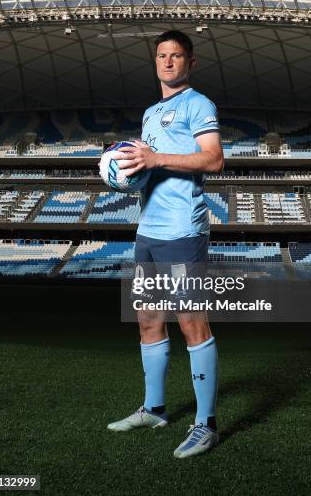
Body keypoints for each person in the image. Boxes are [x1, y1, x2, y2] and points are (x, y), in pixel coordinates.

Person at [107, 30, 224, 458]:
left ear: (190, 63)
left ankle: (205, 425)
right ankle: (155, 409)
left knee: (192, 323)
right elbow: (149, 165)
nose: (168, 62)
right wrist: (126, 166)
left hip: (182, 232)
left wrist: (155, 159)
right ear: (155, 61)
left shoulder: (198, 104)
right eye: (162, 56)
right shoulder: (150, 113)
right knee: (147, 320)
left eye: (177, 56)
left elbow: (213, 158)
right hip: (148, 232)